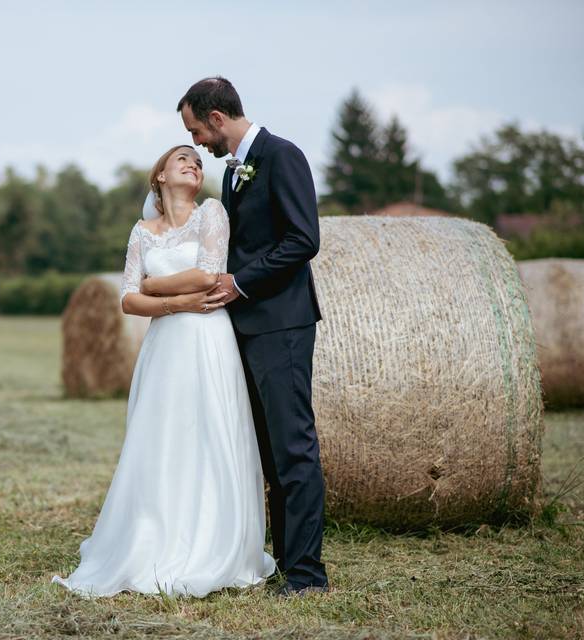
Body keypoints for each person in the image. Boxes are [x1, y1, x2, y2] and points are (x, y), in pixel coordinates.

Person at [51, 144, 276, 597]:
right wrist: (175, 303)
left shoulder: (211, 213)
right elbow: (127, 300)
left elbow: (209, 274)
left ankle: (211, 542)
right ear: (160, 176)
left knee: (211, 430)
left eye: (198, 162)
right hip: (164, 347)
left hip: (208, 339)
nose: (194, 164)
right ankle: (153, 537)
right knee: (162, 437)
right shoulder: (142, 231)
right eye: (182, 160)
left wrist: (154, 285)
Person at [177, 76, 330, 596]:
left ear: (216, 119)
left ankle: (308, 576)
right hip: (248, 330)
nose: (197, 142)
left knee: (293, 449)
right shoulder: (235, 172)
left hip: (282, 326)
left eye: (196, 130)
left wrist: (239, 282)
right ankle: (288, 564)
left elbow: (303, 239)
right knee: (269, 453)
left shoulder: (282, 155)